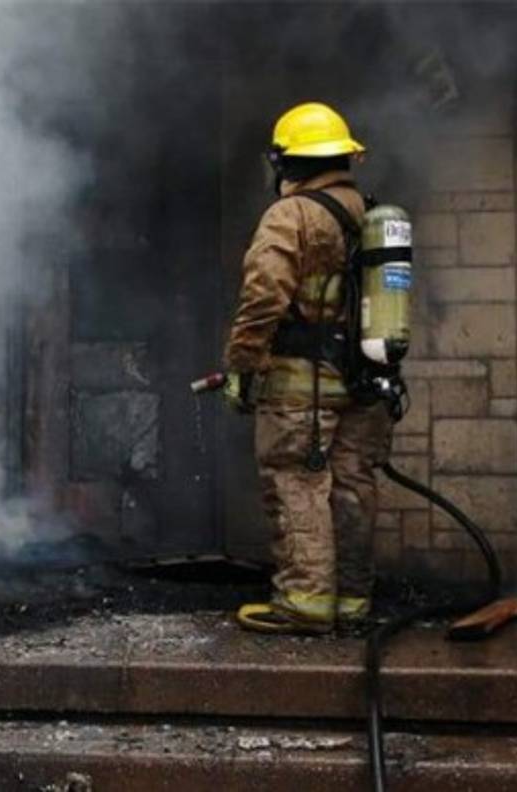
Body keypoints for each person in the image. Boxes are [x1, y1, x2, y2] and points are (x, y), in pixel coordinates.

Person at [222, 103, 392, 635]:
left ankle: (306, 602)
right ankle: (351, 601)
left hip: (301, 383)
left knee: (297, 481)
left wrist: (242, 365)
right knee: (351, 486)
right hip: (366, 381)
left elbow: (263, 296)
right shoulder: (371, 215)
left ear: (289, 163)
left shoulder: (290, 216)